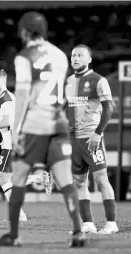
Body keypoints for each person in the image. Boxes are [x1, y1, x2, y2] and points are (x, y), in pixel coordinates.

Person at [0, 12, 85, 247]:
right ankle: (78, 232)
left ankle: (13, 235)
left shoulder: (24, 57)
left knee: (18, 178)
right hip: (59, 124)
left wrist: (16, 130)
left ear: (24, 32)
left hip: (34, 126)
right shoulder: (60, 55)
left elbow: (22, 95)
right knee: (65, 181)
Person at [0, 69, 52, 222]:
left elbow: (7, 122)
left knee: (3, 180)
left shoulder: (6, 98)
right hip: (12, 142)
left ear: (3, 81)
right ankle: (39, 179)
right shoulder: (2, 98)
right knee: (9, 179)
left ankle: (19, 214)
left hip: (12, 142)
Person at [66, 44, 118, 234]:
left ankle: (111, 223)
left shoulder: (99, 80)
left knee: (101, 178)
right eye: (73, 55)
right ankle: (88, 223)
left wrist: (98, 132)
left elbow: (109, 108)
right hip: (73, 140)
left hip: (91, 138)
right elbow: (66, 108)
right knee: (79, 183)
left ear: (89, 59)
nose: (75, 58)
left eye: (80, 55)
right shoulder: (68, 81)